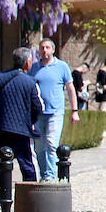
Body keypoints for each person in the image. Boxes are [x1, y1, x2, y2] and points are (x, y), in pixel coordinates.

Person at [0, 47, 42, 206]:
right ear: (28, 63)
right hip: (22, 130)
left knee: (1, 161)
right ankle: (31, 194)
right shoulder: (30, 82)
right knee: (27, 162)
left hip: (1, 128)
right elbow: (37, 107)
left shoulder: (0, 78)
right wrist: (31, 121)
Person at [29, 38, 79, 180]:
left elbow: (70, 88)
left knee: (51, 144)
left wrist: (75, 111)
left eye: (47, 47)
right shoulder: (34, 68)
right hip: (38, 113)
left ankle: (50, 175)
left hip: (55, 112)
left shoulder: (62, 66)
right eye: (42, 48)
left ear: (53, 50)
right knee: (39, 147)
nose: (44, 50)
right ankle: (44, 174)